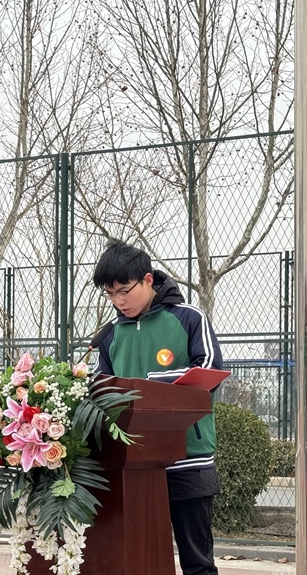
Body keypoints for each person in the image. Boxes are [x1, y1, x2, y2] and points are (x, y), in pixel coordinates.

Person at [92, 238, 223, 575]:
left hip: (188, 460)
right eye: (110, 294)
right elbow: (100, 392)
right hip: (130, 465)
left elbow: (208, 373)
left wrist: (149, 385)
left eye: (124, 291)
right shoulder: (109, 335)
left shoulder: (189, 318)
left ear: (147, 279)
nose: (118, 301)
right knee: (136, 561)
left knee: (197, 563)